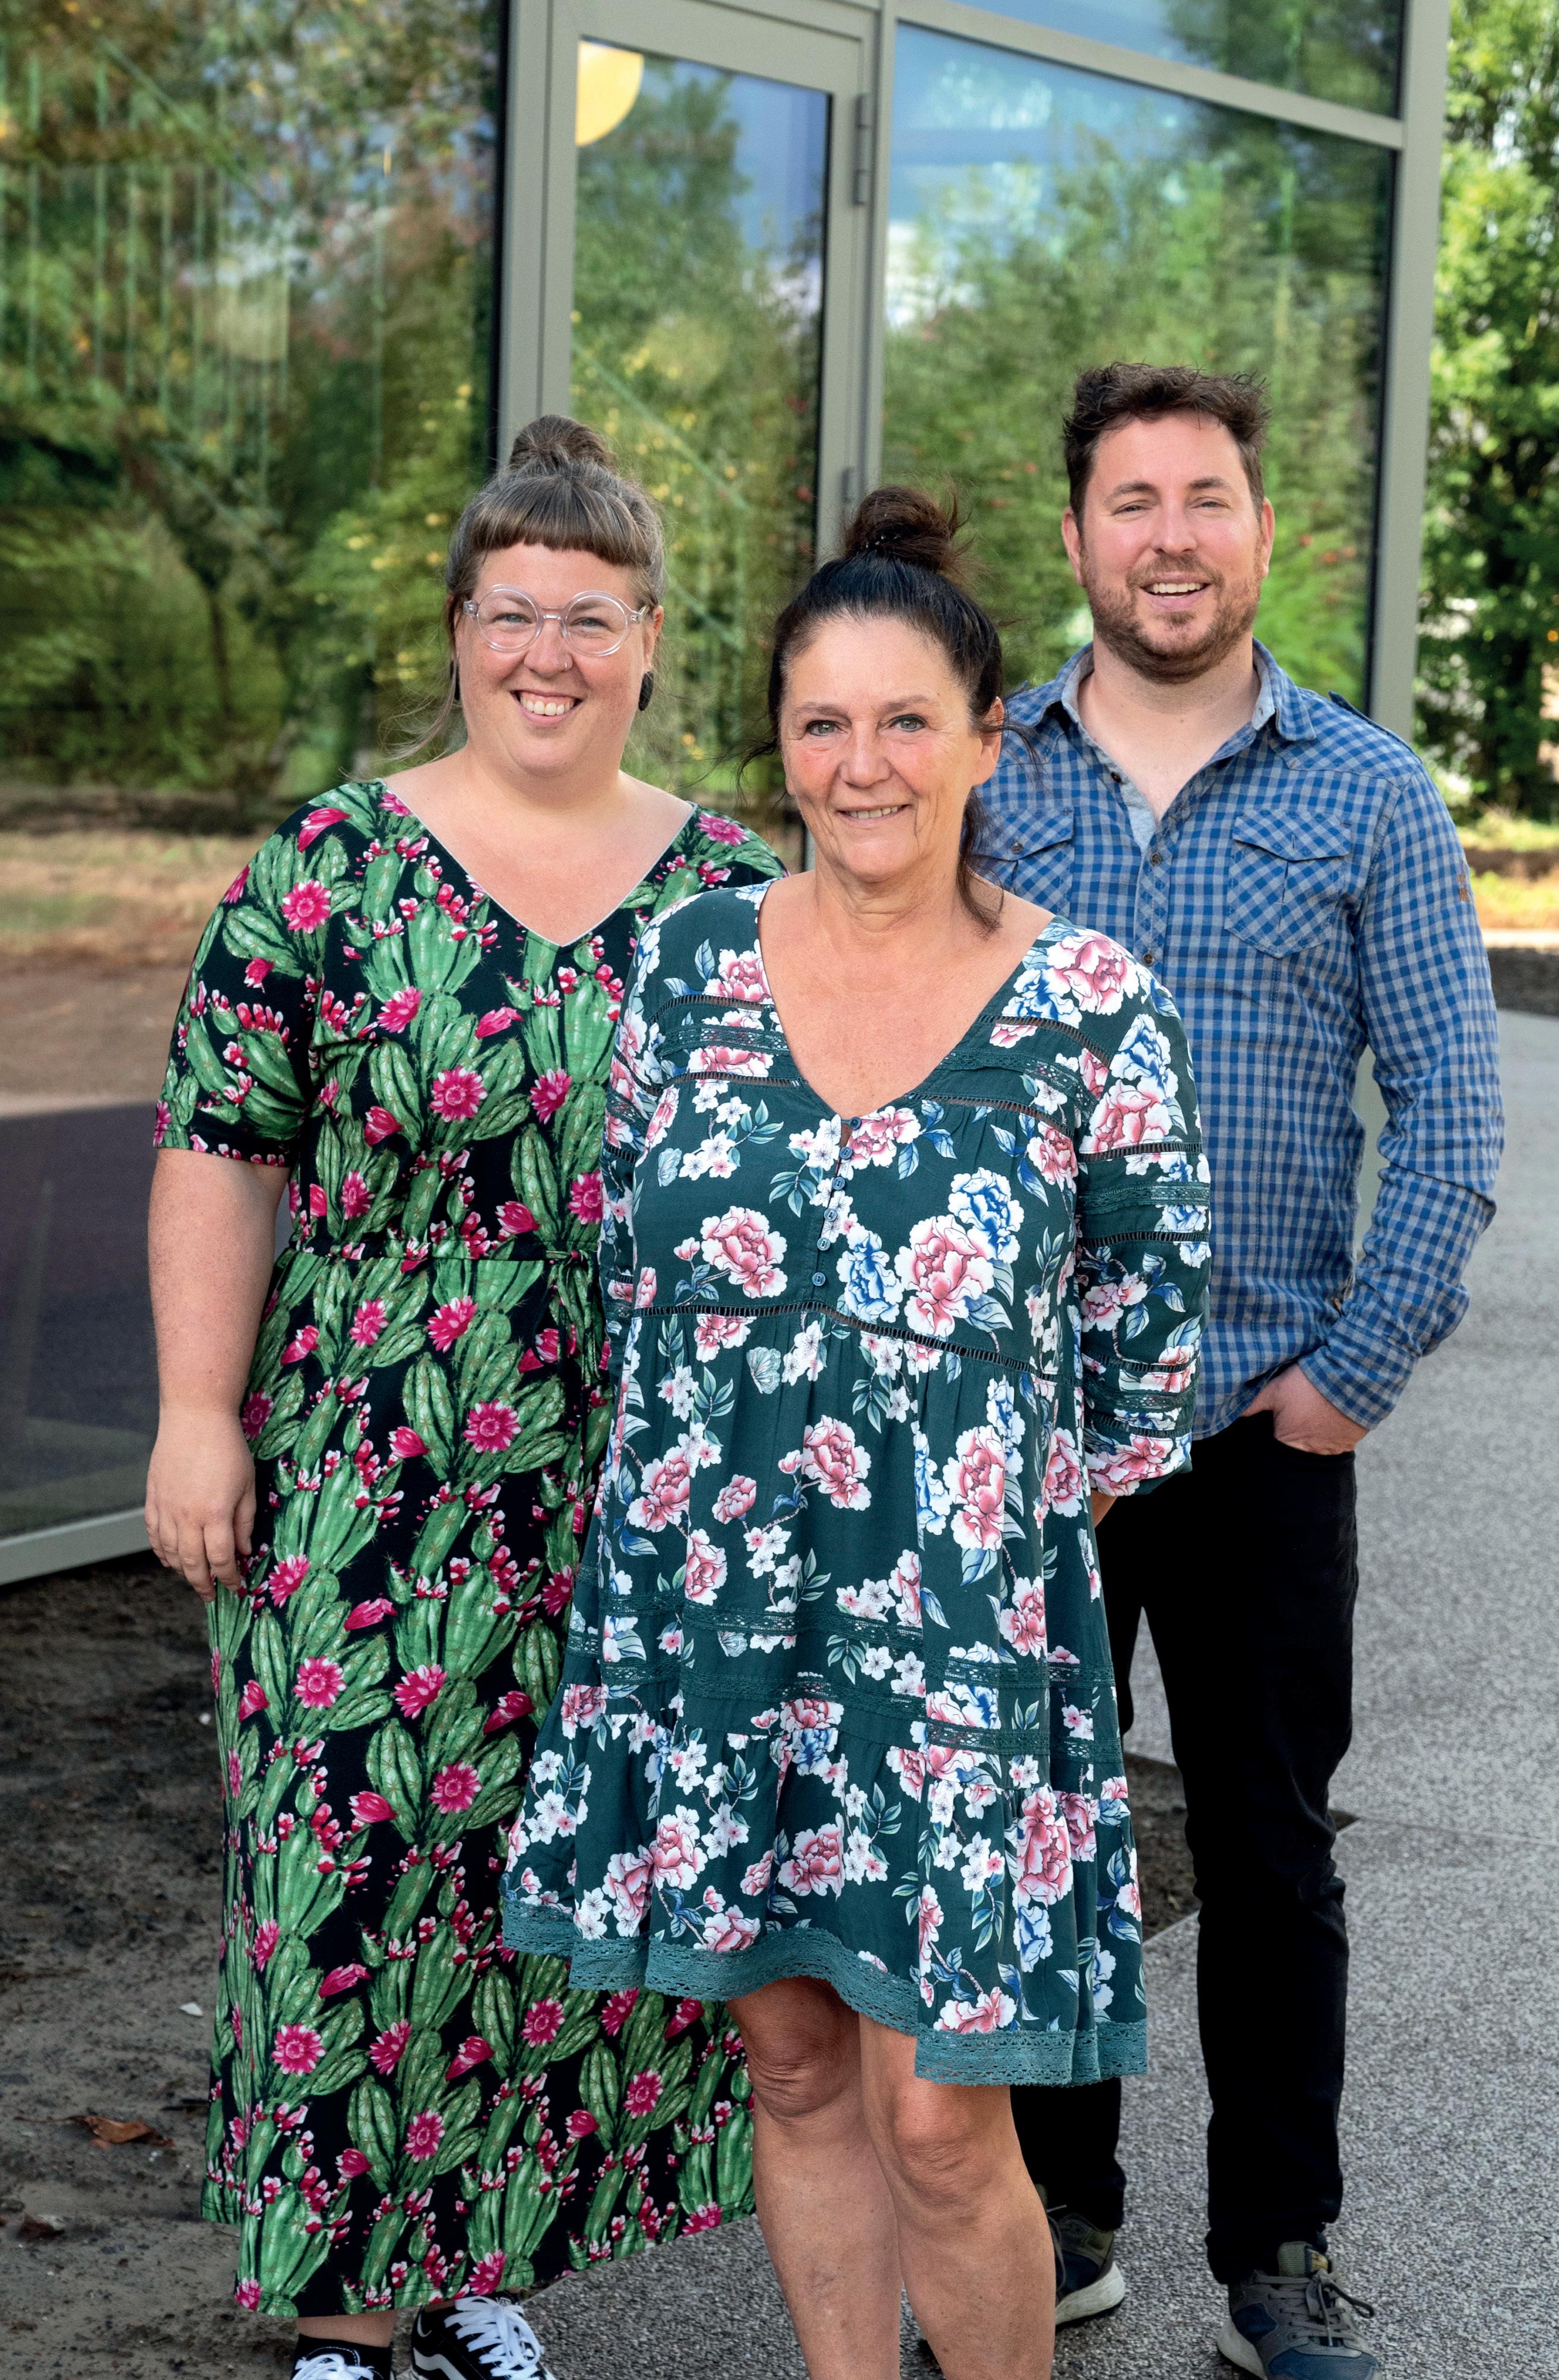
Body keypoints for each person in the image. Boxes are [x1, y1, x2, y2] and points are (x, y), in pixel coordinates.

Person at [502, 487, 1213, 2379]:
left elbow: (1143, 1351)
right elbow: (622, 1258)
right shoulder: (684, 966)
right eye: (821, 721)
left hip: (957, 1648)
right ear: (778, 743)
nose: (861, 762)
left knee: (940, 2118)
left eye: (906, 719)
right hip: (719, 1621)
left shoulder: (1087, 1006)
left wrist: (974, 1536)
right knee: (798, 2063)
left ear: (989, 740)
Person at [145, 416, 783, 2380]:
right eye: (512, 611)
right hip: (360, 1455)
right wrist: (193, 1412)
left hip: (631, 1473)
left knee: (552, 1878)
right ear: (456, 630)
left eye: (589, 615)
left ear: (651, 639)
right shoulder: (329, 864)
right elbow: (221, 1147)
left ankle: (474, 2258)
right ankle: (344, 2317)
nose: (546, 653)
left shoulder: (737, 891)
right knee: (343, 1860)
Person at [979, 363, 1503, 2380]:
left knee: (1271, 1851)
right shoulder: (985, 774)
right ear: (1076, 537)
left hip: (1260, 1419)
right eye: (1132, 501)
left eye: (1205, 497)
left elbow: (1449, 1112)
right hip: (1018, 1430)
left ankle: (1278, 2252)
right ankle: (1056, 2219)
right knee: (1037, 1838)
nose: (1170, 536)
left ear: (1261, 531)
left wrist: (1349, 1377)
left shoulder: (1365, 791)